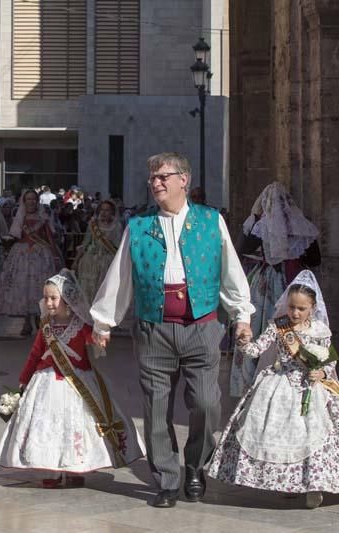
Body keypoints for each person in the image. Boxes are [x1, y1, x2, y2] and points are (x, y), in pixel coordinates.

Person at [90, 152, 254, 508]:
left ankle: (195, 465)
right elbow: (121, 277)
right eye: (152, 178)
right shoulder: (138, 226)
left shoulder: (211, 221)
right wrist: (103, 322)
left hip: (203, 326)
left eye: (163, 176)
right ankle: (166, 478)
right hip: (153, 328)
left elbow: (230, 269)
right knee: (156, 407)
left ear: (184, 180)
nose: (156, 183)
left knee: (207, 403)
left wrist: (241, 314)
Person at [0, 270, 144, 487]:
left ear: (67, 300)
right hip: (46, 383)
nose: (49, 302)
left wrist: (100, 337)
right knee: (46, 426)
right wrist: (24, 379)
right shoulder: (45, 327)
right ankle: (50, 470)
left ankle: (75, 468)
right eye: (46, 298)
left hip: (78, 383)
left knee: (77, 425)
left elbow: (92, 339)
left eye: (54, 298)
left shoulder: (80, 326)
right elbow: (35, 354)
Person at [208, 271, 339, 509]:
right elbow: (256, 350)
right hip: (278, 384)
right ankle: (288, 483)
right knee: (276, 433)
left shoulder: (320, 331)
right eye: (292, 307)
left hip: (309, 387)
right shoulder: (278, 326)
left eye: (301, 309)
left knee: (313, 435)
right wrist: (244, 341)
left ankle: (313, 485)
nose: (295, 313)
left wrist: (321, 373)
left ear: (312, 308)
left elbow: (329, 361)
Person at [229, 181, 321, 397]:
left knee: (265, 326)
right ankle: (294, 370)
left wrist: (254, 220)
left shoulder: (260, 224)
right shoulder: (301, 225)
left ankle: (257, 379)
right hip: (294, 280)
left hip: (267, 282)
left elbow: (241, 249)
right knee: (294, 326)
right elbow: (315, 259)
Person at [0, 190, 63, 336]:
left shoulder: (43, 216)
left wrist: (55, 254)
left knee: (40, 287)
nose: (31, 202)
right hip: (22, 254)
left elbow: (50, 237)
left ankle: (41, 319)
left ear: (37, 201)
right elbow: (15, 235)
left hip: (40, 254)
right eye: (28, 199)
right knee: (23, 287)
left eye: (33, 199)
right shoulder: (19, 217)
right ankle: (26, 321)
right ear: (24, 201)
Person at [73, 200, 123, 307]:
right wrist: (76, 261)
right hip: (90, 262)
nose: (104, 212)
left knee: (105, 291)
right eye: (102, 210)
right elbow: (85, 244)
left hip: (108, 262)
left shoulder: (117, 226)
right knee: (89, 292)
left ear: (112, 212)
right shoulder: (93, 225)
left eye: (107, 210)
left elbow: (118, 247)